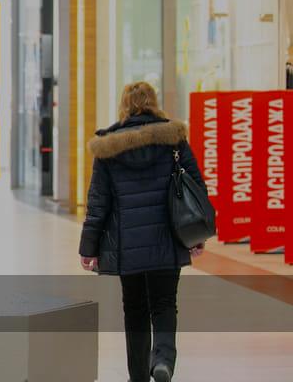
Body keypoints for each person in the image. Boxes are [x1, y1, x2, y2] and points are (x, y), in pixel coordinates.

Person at [79, 82, 206, 382]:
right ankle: (162, 361)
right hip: (168, 239)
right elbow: (196, 188)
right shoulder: (173, 140)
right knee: (164, 303)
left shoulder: (108, 146)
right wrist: (197, 235)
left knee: (135, 309)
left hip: (128, 244)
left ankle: (138, 376)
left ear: (124, 105)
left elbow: (98, 202)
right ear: (153, 102)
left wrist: (88, 247)